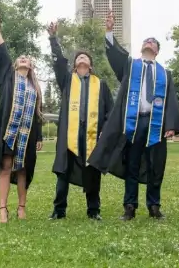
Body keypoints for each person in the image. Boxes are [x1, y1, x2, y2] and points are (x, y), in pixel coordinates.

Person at [88, 11, 179, 221]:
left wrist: (171, 125)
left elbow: (171, 101)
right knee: (132, 164)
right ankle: (130, 206)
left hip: (156, 124)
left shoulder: (164, 74)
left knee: (155, 165)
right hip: (134, 122)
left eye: (152, 43)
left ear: (157, 51)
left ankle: (154, 205)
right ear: (142, 47)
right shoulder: (131, 66)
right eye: (146, 42)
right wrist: (110, 31)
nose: (148, 44)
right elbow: (115, 55)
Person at [47, 22, 114, 220]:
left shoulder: (100, 85)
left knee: (92, 174)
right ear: (75, 64)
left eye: (85, 57)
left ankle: (94, 211)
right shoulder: (67, 80)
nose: (82, 58)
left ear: (90, 65)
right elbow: (59, 62)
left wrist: (104, 131)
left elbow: (110, 111)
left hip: (92, 137)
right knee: (63, 173)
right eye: (79, 57)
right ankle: (59, 210)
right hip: (70, 136)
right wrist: (53, 39)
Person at [0, 9, 44, 224]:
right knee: (7, 167)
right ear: (16, 65)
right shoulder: (9, 77)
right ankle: (2, 209)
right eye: (20, 59)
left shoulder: (34, 87)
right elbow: (2, 51)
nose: (23, 59)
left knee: (23, 170)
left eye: (27, 59)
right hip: (9, 132)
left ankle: (21, 208)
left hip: (27, 135)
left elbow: (38, 115)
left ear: (31, 66)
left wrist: (40, 137)